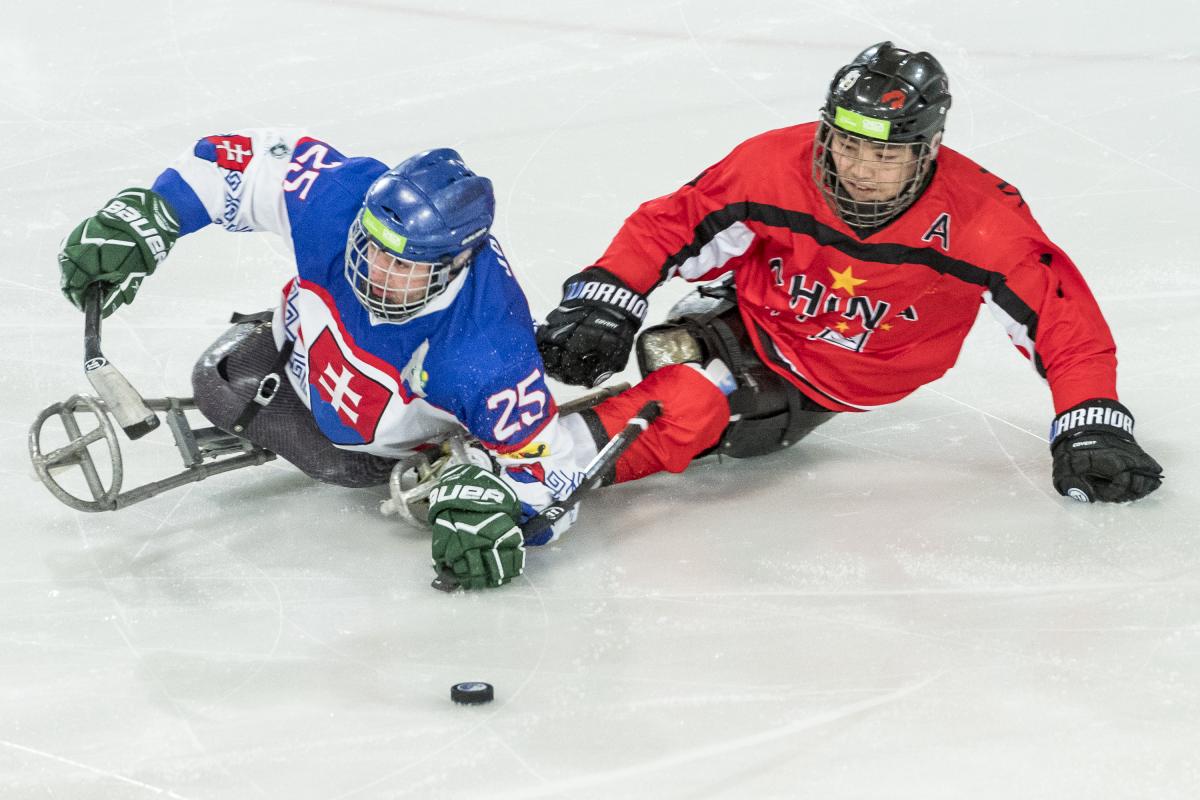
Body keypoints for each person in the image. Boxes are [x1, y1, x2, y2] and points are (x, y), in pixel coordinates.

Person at [537, 42, 1163, 504]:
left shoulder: (981, 220)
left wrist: (1091, 420)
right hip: (750, 311)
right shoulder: (774, 164)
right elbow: (674, 224)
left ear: (928, 148)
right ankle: (476, 403)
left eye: (886, 153)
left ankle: (542, 467)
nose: (861, 169)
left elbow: (1063, 321)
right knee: (593, 339)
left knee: (694, 405)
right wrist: (607, 298)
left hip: (831, 377)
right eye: (848, 144)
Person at [56, 131, 611, 589]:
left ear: (458, 261)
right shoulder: (340, 195)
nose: (375, 272)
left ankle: (447, 454)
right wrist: (152, 214)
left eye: (405, 266)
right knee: (221, 380)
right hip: (294, 350)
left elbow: (550, 473)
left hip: (378, 443)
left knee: (339, 461)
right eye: (371, 246)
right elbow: (236, 167)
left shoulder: (486, 351)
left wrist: (501, 511)